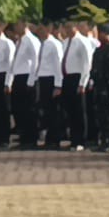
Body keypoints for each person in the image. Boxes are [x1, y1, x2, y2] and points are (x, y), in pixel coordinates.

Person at [88, 23, 109, 154]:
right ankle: (103, 140)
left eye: (101, 33)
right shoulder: (98, 50)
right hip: (99, 87)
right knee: (100, 115)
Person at [8, 20, 40, 150]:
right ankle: (24, 135)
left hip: (27, 77)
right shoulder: (20, 40)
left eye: (18, 25)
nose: (16, 27)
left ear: (24, 25)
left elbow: (36, 60)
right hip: (18, 76)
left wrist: (31, 81)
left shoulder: (31, 40)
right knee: (19, 109)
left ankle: (31, 138)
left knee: (28, 110)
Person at [62, 21, 93, 151]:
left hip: (77, 77)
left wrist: (83, 82)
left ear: (76, 27)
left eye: (70, 27)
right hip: (67, 77)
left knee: (79, 111)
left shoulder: (82, 41)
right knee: (70, 111)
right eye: (66, 27)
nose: (67, 30)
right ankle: (74, 139)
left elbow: (87, 63)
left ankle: (81, 140)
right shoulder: (65, 42)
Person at [33, 20, 64, 150]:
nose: (39, 31)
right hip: (43, 78)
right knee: (45, 110)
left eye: (42, 28)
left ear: (49, 28)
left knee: (52, 110)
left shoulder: (54, 44)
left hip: (51, 79)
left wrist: (58, 85)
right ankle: (48, 138)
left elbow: (58, 64)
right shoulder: (43, 44)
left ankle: (54, 139)